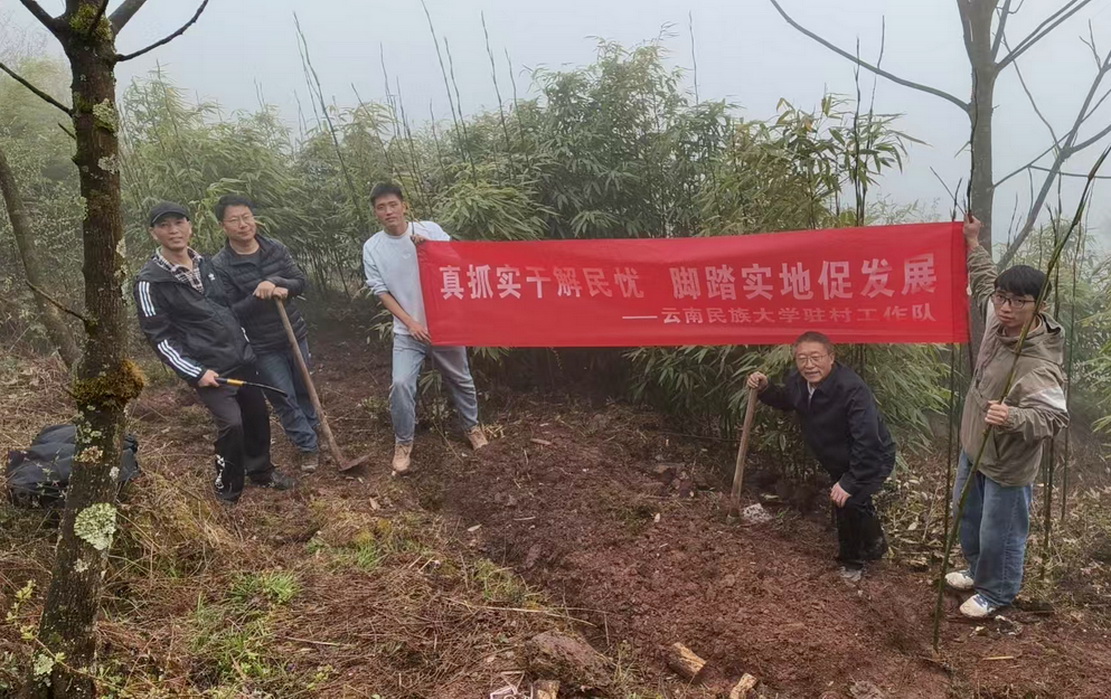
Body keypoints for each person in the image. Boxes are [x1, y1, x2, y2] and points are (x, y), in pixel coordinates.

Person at [945, 214, 1068, 618]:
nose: (1006, 307)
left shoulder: (1040, 363)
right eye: (1003, 298)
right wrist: (973, 242)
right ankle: (977, 570)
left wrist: (1014, 417)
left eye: (1018, 301)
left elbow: (1053, 419)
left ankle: (997, 591)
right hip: (975, 445)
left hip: (1008, 461)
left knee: (1000, 530)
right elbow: (985, 280)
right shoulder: (997, 319)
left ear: (1040, 306)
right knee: (968, 516)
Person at [134, 201, 295, 503]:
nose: (174, 230)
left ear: (190, 227)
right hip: (208, 368)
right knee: (232, 424)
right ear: (153, 233)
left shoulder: (207, 265)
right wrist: (195, 372)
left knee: (257, 415)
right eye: (164, 225)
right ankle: (227, 489)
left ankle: (261, 471)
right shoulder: (150, 281)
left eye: (179, 223)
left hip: (241, 357)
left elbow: (230, 309)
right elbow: (159, 337)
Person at [747, 331, 895, 582]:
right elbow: (787, 399)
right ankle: (875, 545)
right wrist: (765, 388)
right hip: (837, 456)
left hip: (871, 456)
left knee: (847, 501)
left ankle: (852, 562)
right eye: (802, 358)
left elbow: (868, 440)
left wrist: (850, 480)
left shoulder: (851, 389)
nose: (809, 365)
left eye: (816, 357)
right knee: (857, 500)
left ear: (831, 357)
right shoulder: (798, 380)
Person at [361, 183, 488, 474]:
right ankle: (403, 442)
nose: (388, 211)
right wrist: (411, 323)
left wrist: (431, 250)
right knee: (401, 384)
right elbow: (381, 292)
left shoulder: (429, 230)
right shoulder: (373, 247)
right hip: (408, 331)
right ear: (375, 213)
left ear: (404, 206)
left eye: (393, 204)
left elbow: (456, 264)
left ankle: (472, 428)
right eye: (381, 207)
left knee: (461, 379)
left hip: (445, 324)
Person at [210, 194, 321, 473]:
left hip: (294, 332)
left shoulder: (275, 248)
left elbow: (299, 281)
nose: (243, 224)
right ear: (223, 226)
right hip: (261, 344)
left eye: (246, 217)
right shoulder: (220, 265)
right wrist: (258, 295)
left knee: (305, 388)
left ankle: (314, 430)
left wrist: (277, 282)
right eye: (234, 220)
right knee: (283, 396)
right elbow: (230, 312)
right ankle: (307, 446)